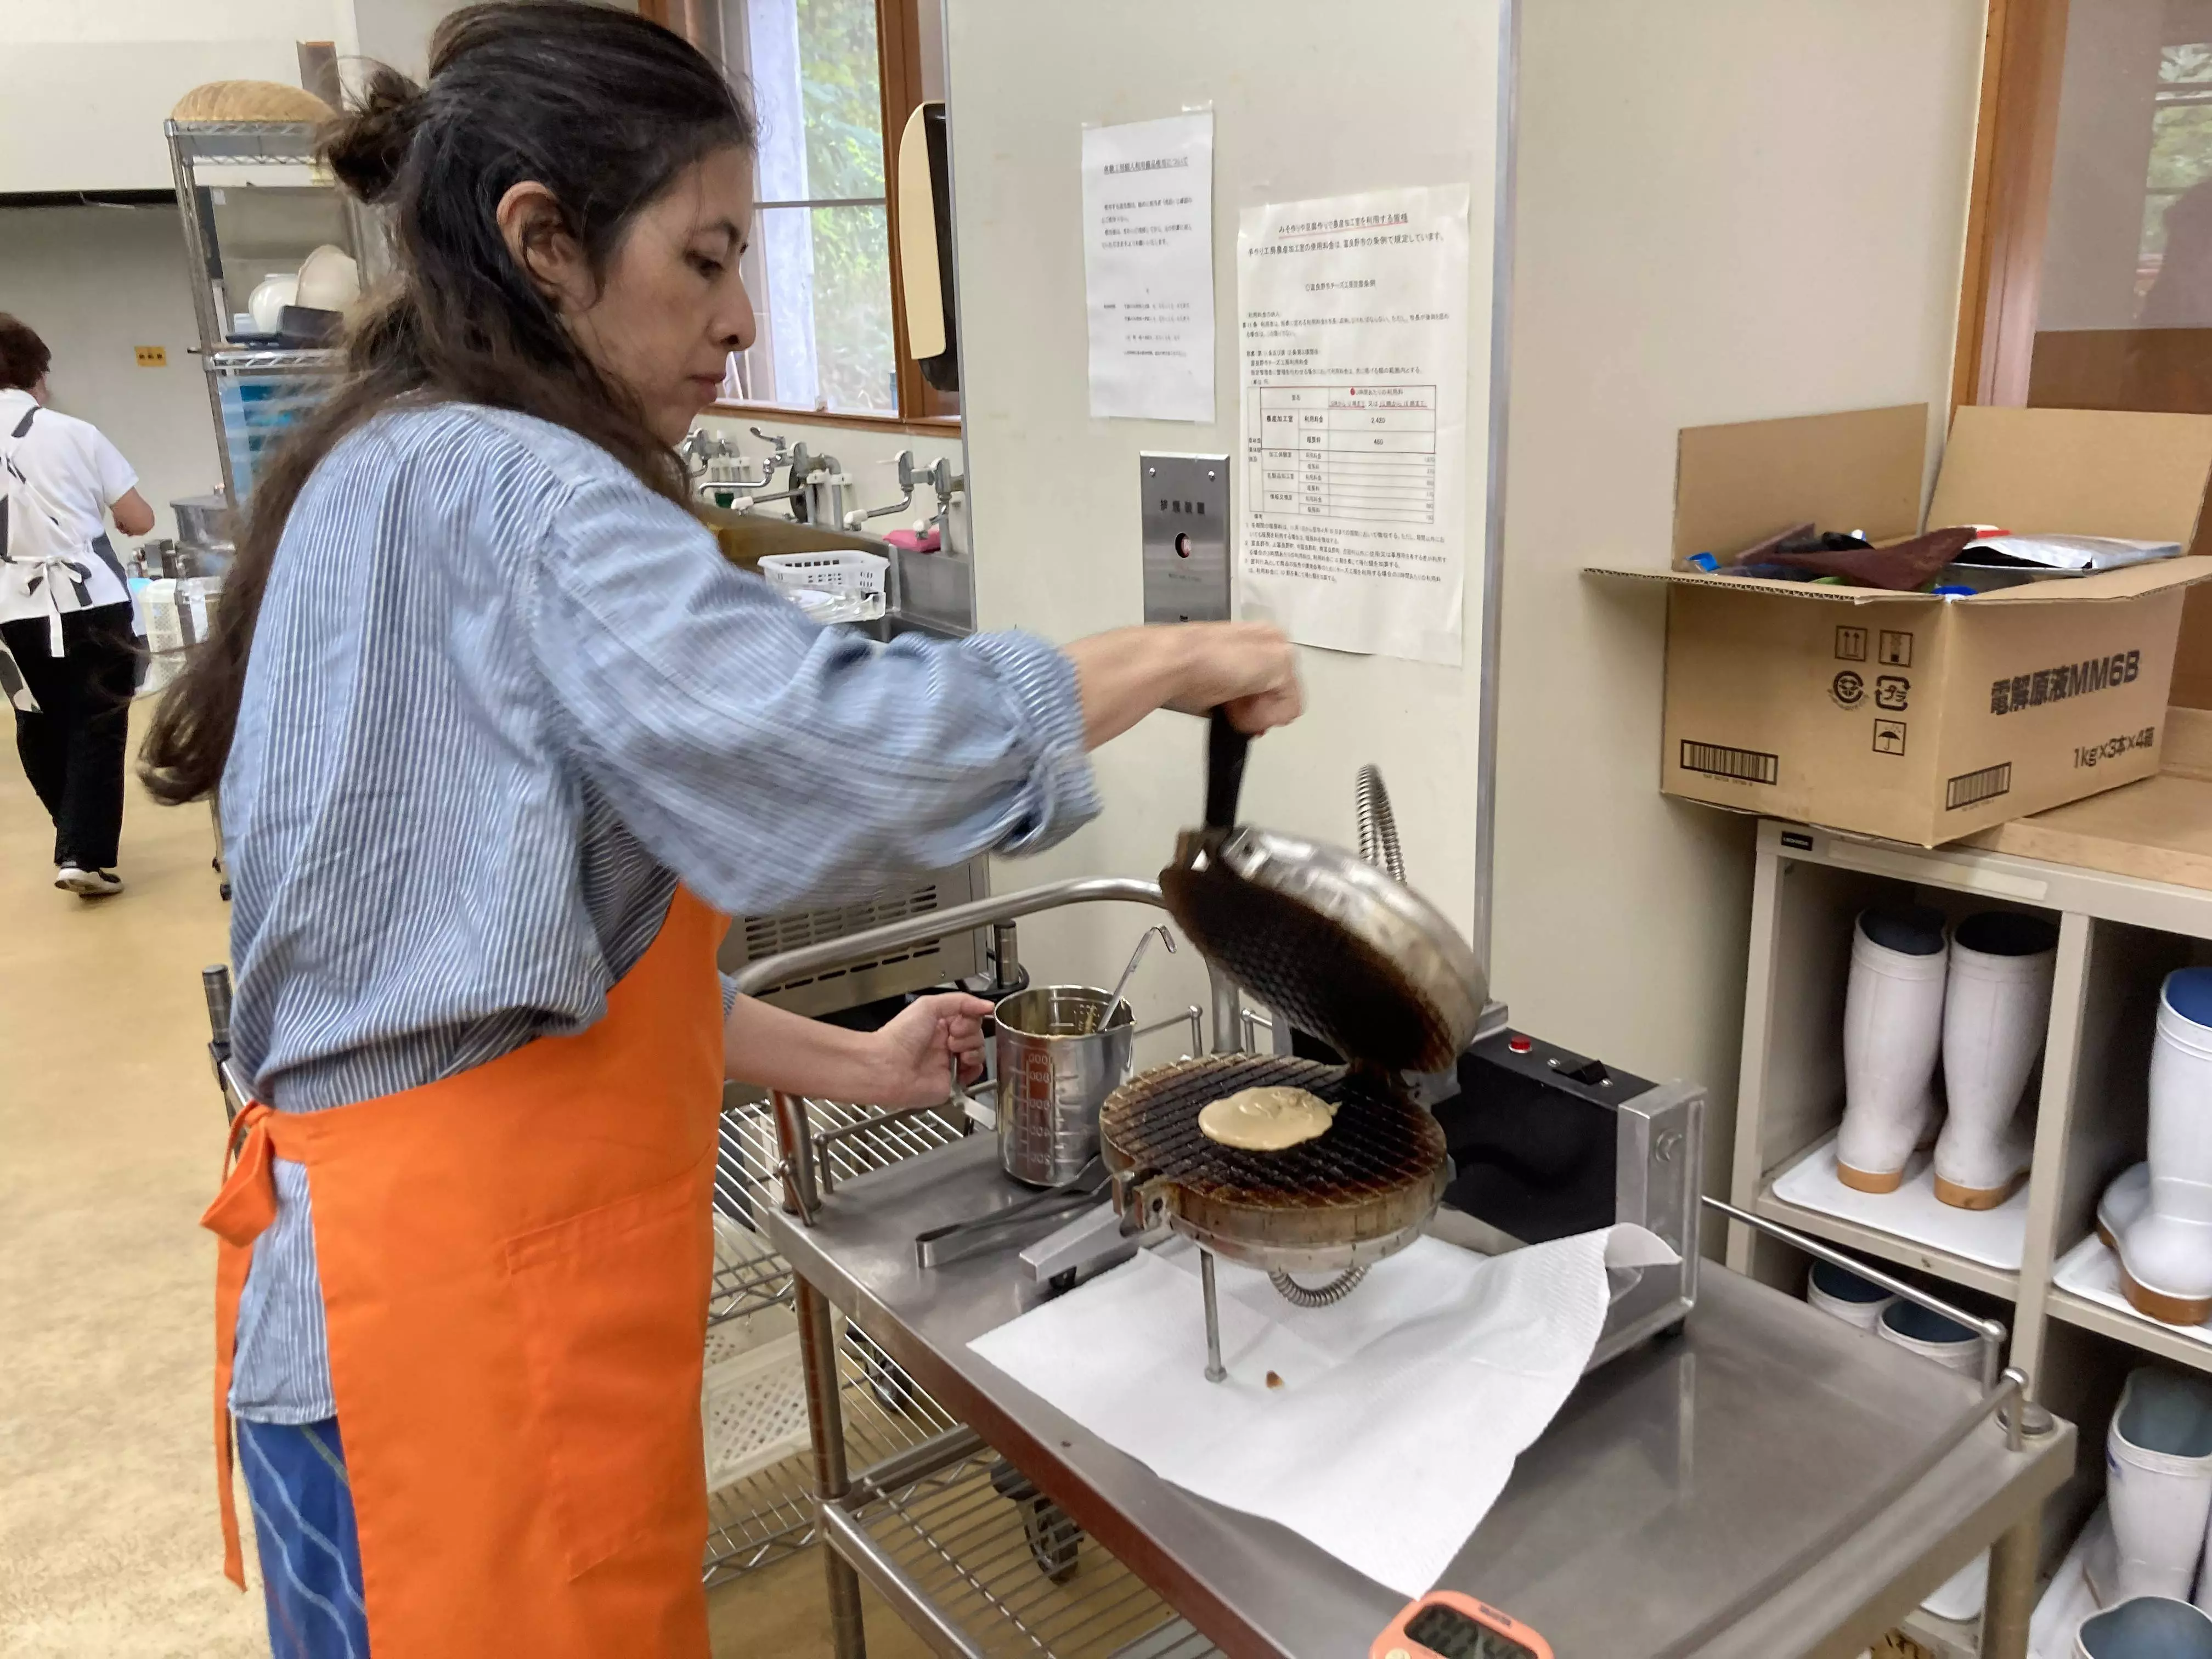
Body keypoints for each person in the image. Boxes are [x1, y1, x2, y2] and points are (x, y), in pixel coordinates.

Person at [144, 7, 1302, 1657]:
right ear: (544, 243)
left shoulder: (375, 469)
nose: (745, 322)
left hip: (352, 1315)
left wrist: (861, 1061)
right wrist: (1178, 655)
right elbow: (830, 747)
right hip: (462, 1358)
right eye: (703, 259)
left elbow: (509, 981)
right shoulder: (532, 494)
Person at [0, 313, 157, 896]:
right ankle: (82, 853)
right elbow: (139, 518)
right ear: (35, 373)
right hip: (92, 600)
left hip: (9, 611)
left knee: (37, 722)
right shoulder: (73, 433)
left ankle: (73, 838)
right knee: (99, 719)